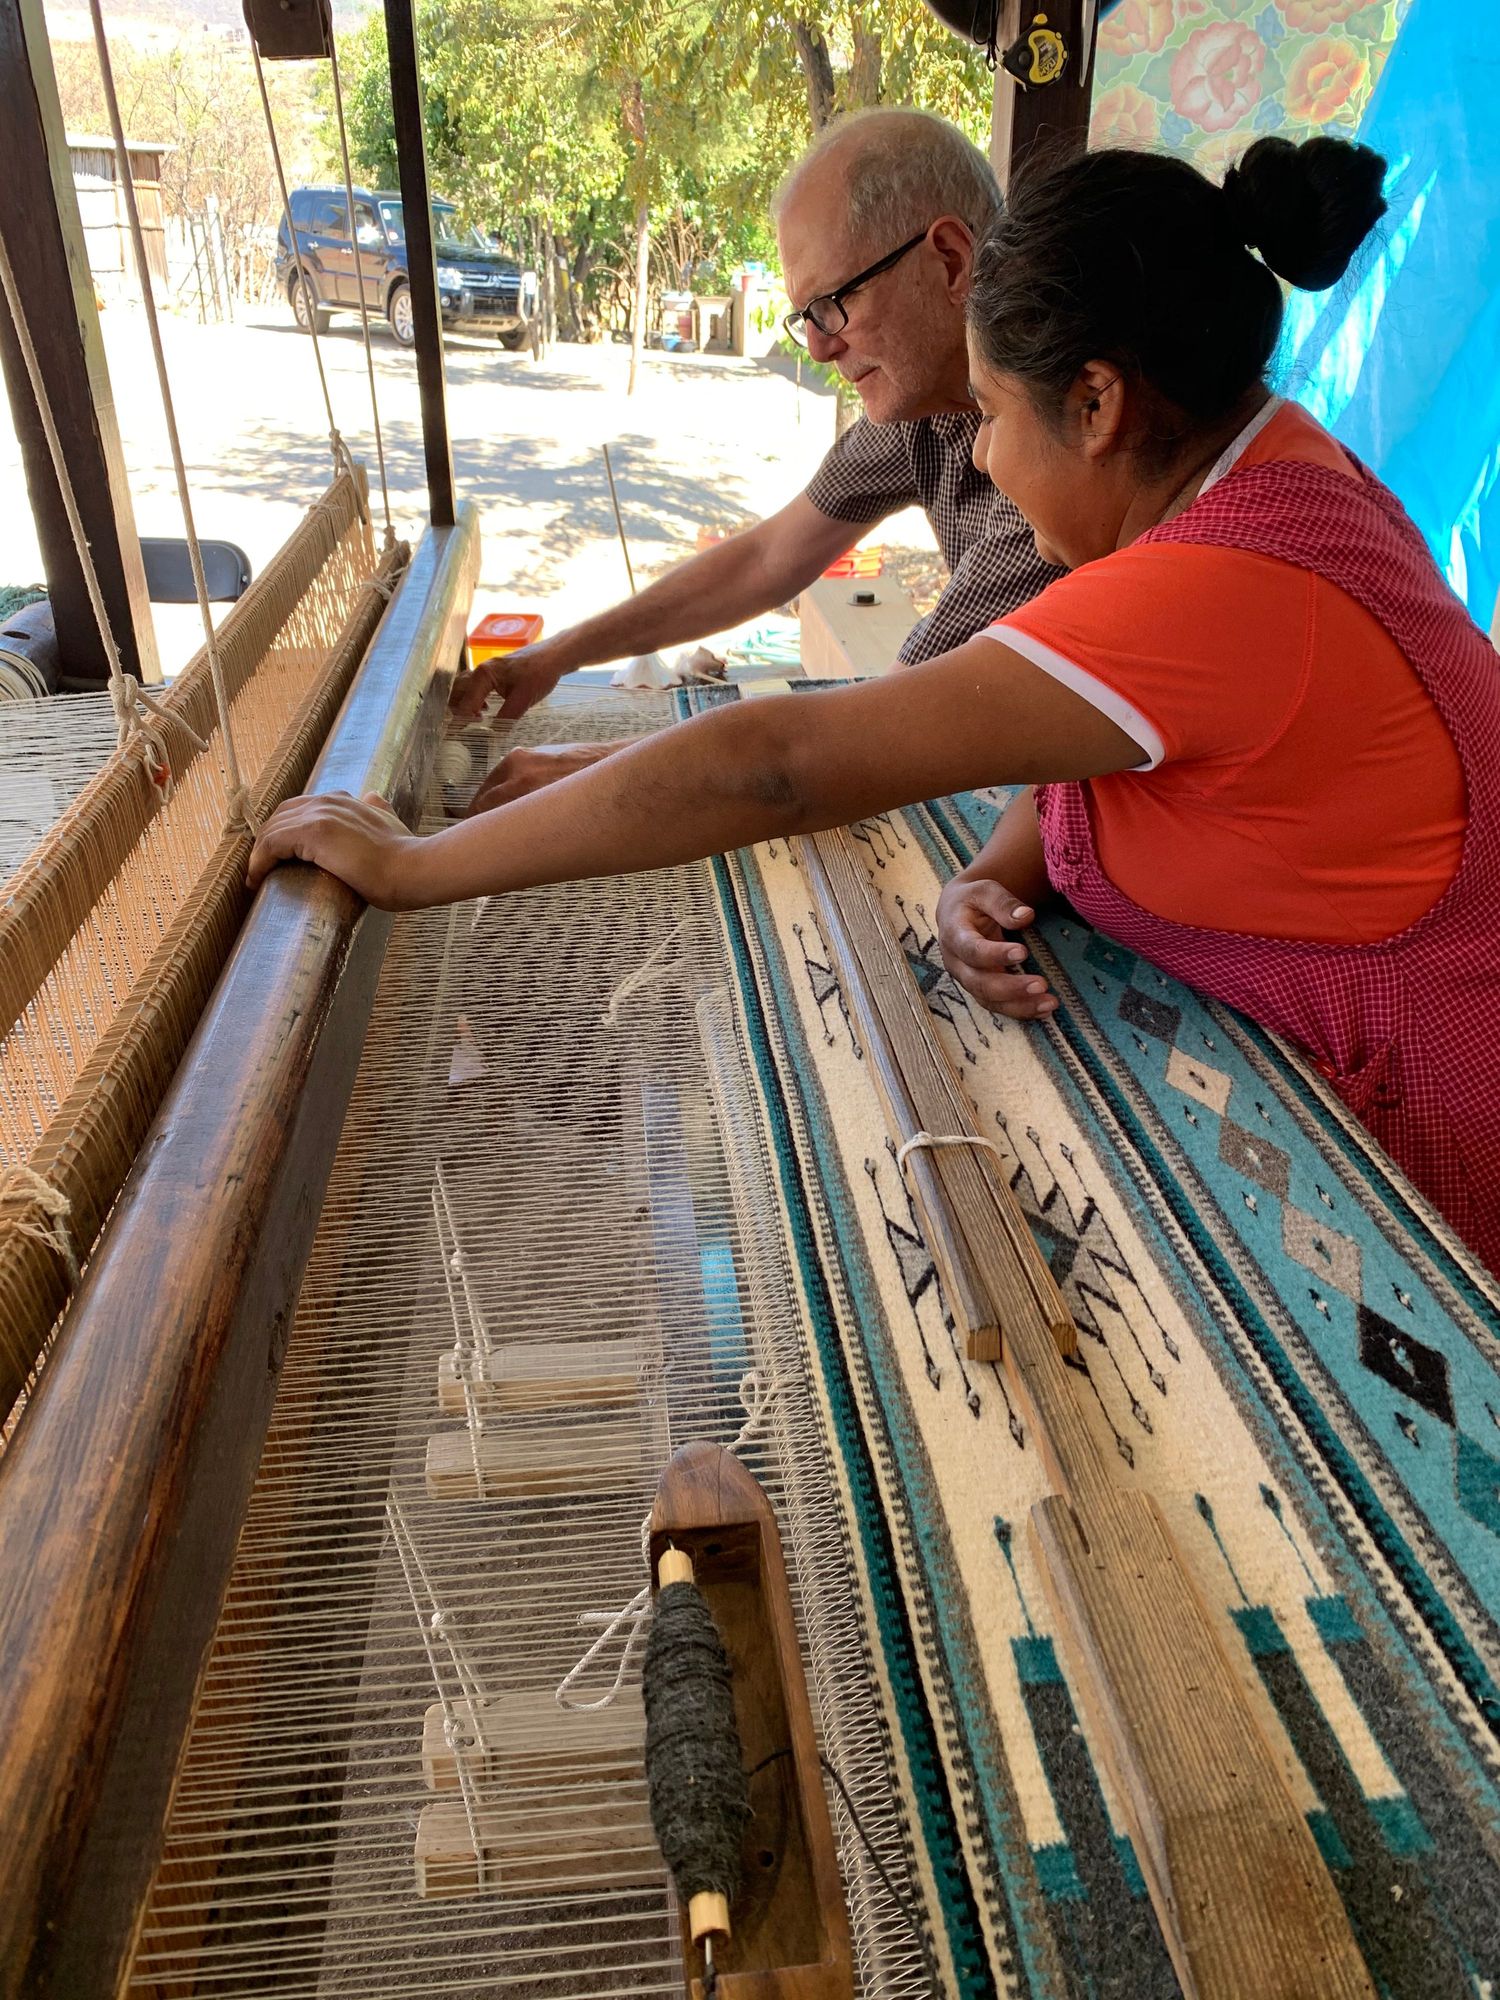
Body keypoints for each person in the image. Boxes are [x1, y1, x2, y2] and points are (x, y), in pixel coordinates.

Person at [248, 135, 1500, 1272]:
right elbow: (1124, 747)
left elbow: (786, 765)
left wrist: (414, 868)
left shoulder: (1208, 584)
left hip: (1445, 1158)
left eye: (997, 417)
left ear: (1099, 403)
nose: (986, 457)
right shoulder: (1280, 467)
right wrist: (994, 870)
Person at [450, 108, 1060, 810]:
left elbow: (868, 739)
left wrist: (590, 770)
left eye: (833, 304)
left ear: (950, 260)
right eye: (807, 318)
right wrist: (559, 653)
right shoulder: (927, 406)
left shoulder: (1052, 455)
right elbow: (768, 559)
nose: (821, 347)